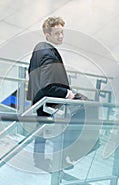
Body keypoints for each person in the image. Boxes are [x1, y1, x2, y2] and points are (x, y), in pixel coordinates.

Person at [27, 17, 76, 170]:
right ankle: (56, 160)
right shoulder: (48, 54)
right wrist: (67, 93)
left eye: (62, 33)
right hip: (45, 99)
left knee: (43, 128)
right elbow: (48, 86)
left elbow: (31, 70)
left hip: (38, 96)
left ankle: (41, 160)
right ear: (47, 35)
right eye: (56, 34)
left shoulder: (40, 47)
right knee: (52, 128)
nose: (60, 36)